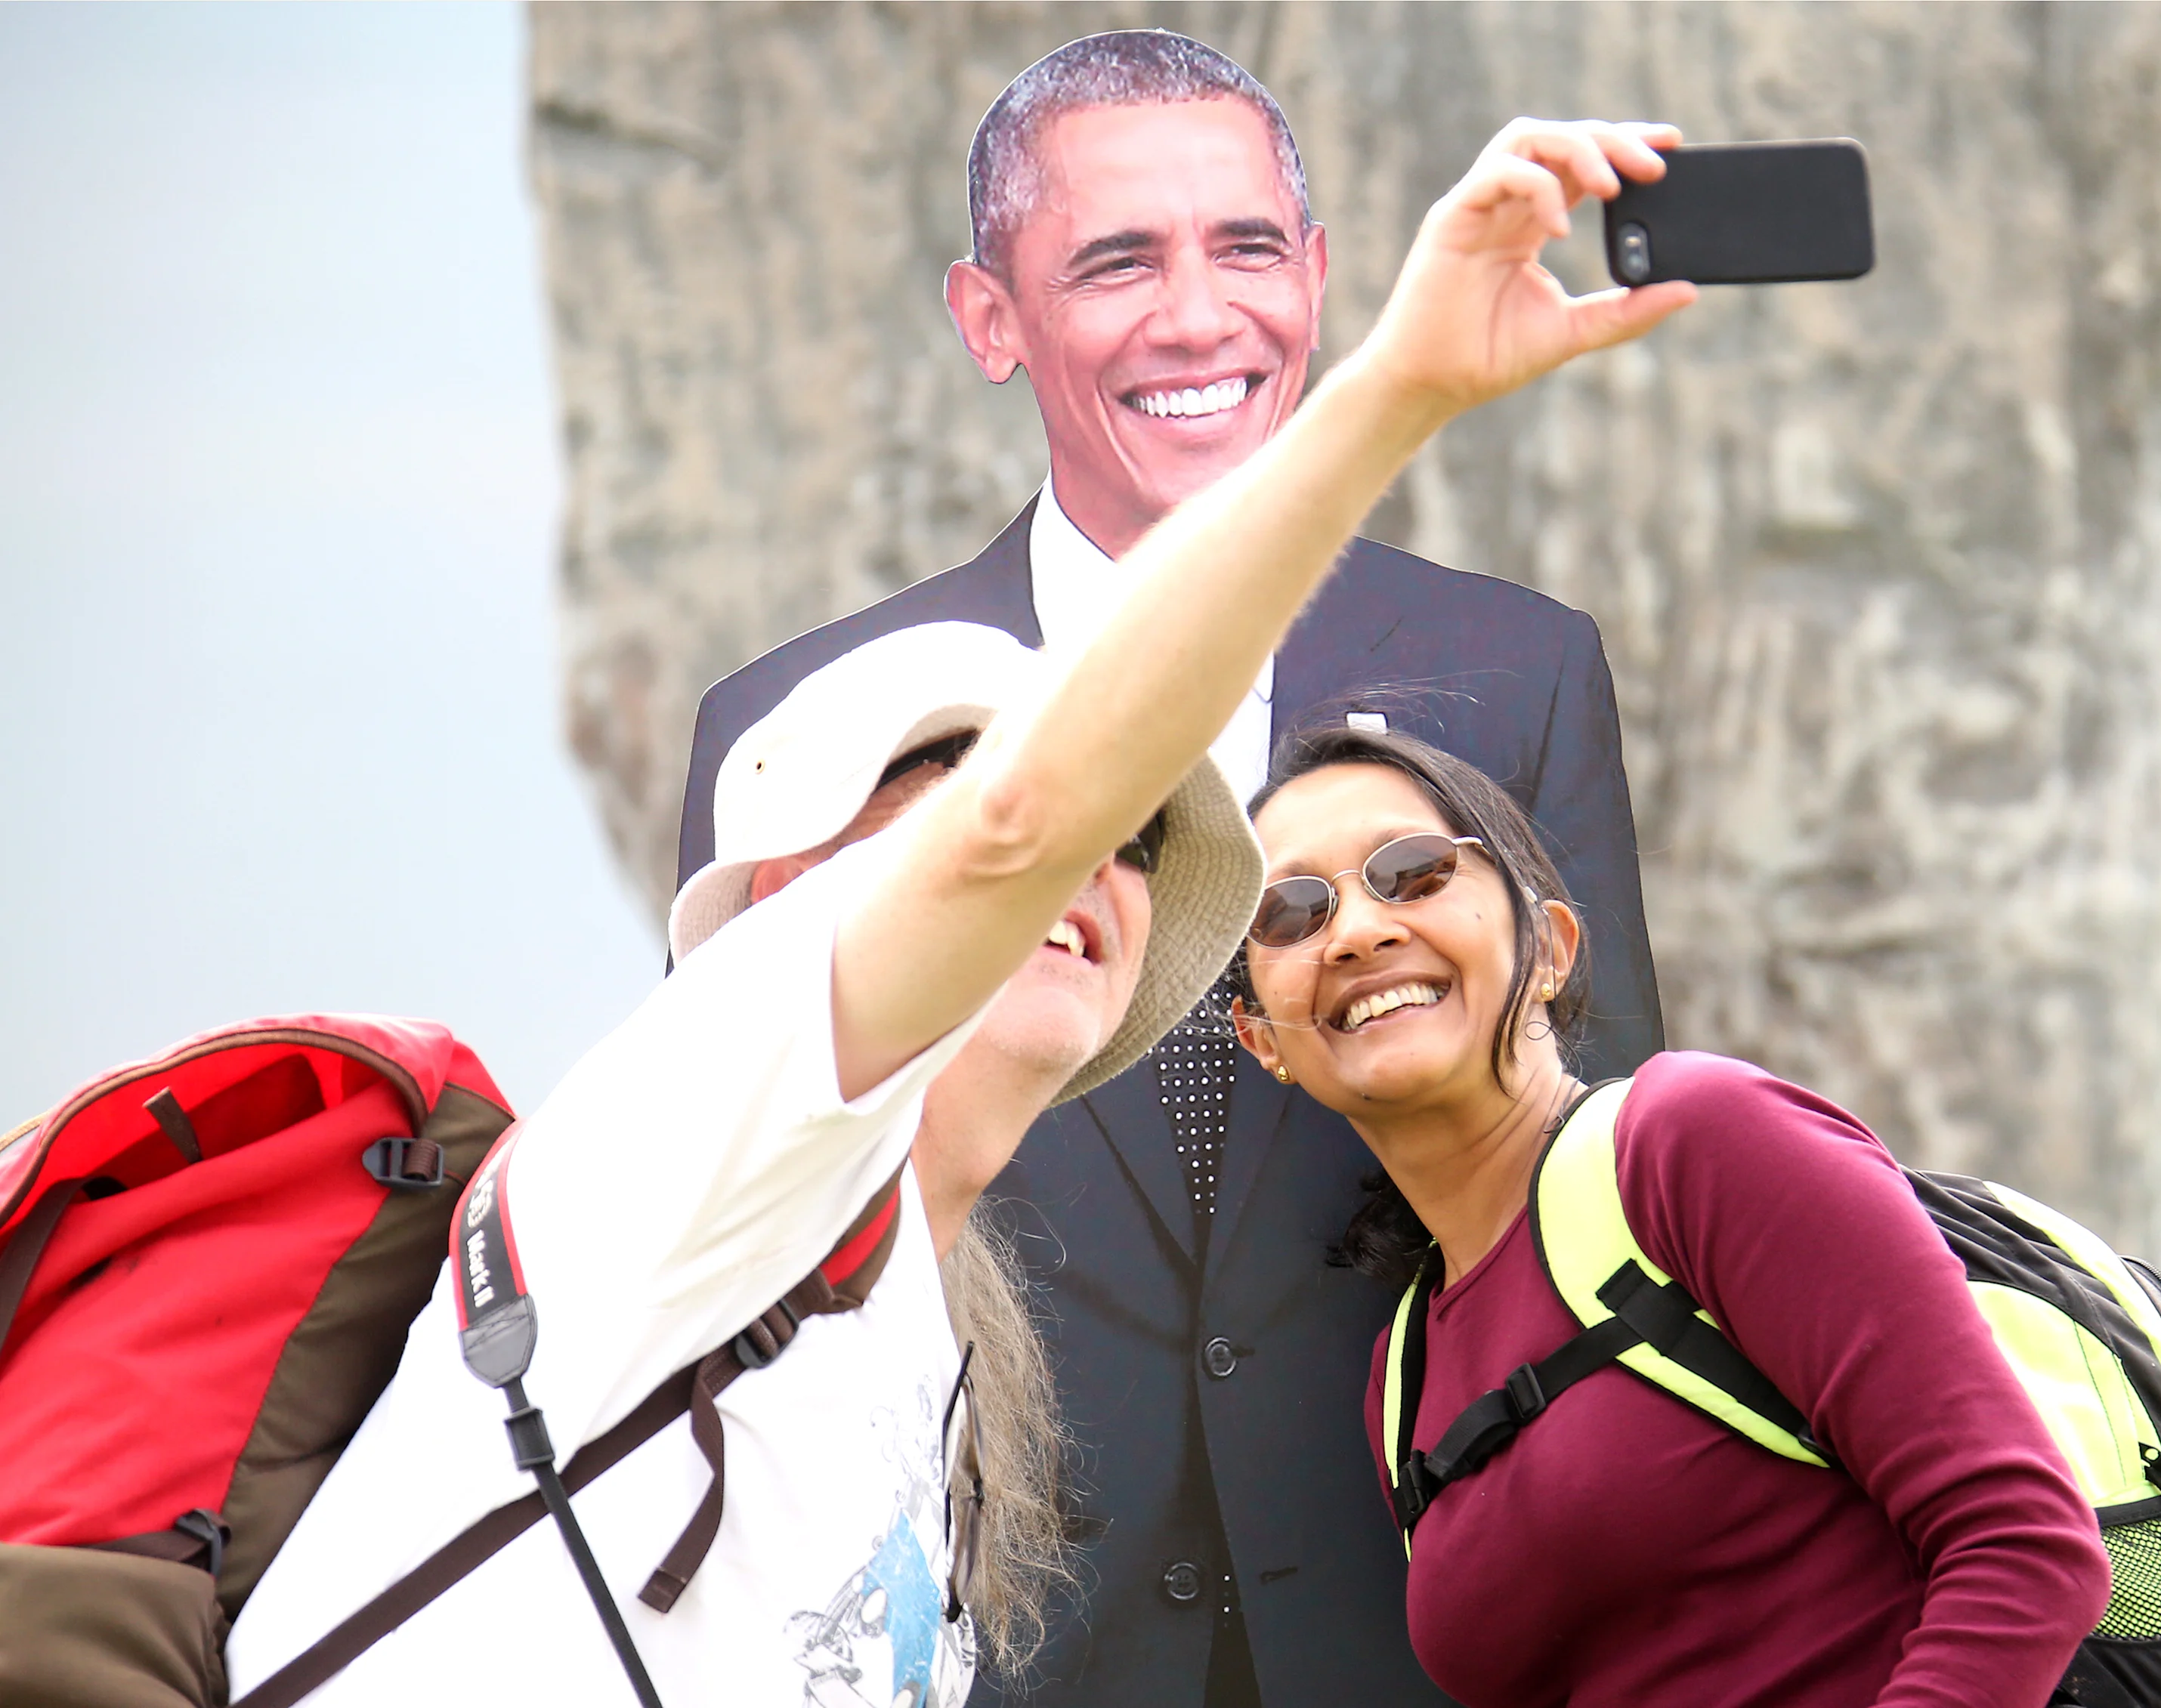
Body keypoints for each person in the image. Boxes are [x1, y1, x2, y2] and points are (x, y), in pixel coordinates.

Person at [223, 113, 1699, 1708]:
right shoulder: (693, 1126)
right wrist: (1398, 393)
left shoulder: (906, 1347)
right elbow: (1021, 827)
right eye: (942, 781)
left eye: (1145, 837)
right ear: (783, 898)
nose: (1092, 862)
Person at [676, 36, 1665, 1707]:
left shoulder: (1523, 671)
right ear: (990, 318)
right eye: (1116, 261)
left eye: (1247, 247)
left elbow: (1601, 1160)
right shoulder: (800, 735)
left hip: (1431, 1626)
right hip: (997, 1633)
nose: (1198, 315)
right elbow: (762, 1224)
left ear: (1327, 277)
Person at [1226, 724, 2116, 1708]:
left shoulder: (1691, 1145)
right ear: (1263, 1037)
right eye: (1292, 912)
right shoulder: (1404, 1383)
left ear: (1551, 948)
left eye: (1415, 872)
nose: (1354, 930)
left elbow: (2026, 1544)